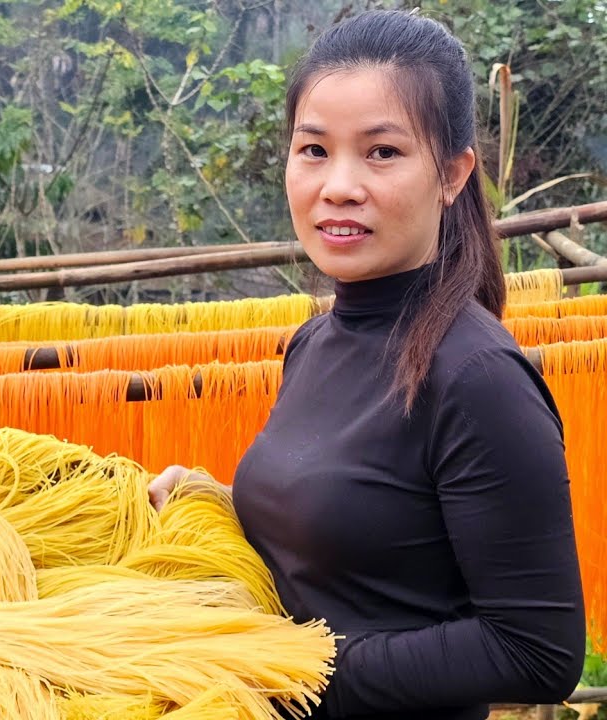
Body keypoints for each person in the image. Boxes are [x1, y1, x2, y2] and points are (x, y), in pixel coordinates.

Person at [148, 10, 584, 719]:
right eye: (314, 150)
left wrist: (295, 674)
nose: (339, 185)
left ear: (451, 173)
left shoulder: (477, 379)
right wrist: (213, 504)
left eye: (381, 153)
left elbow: (537, 651)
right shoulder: (313, 345)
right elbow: (359, 546)